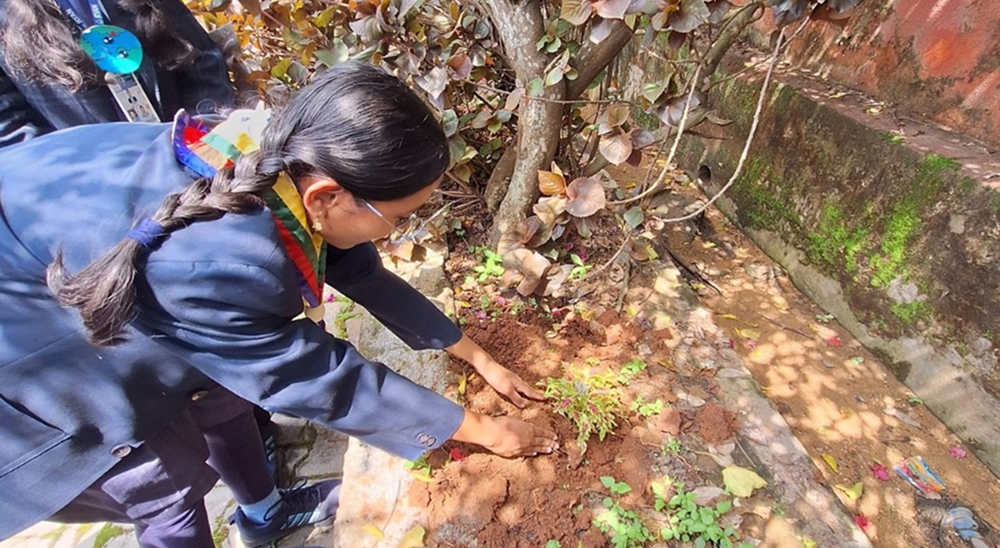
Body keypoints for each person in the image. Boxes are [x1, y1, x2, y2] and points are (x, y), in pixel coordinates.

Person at [0, 61, 558, 548]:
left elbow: (354, 266)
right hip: (31, 348)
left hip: (88, 259)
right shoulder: (220, 262)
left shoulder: (263, 153)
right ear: (327, 197)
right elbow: (314, 378)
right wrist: (482, 430)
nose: (394, 236)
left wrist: (475, 354)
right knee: (162, 484)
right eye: (399, 219)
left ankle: (264, 514)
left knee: (220, 394)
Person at [0, 0, 235, 147]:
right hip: (103, 194)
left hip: (197, 158)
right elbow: (12, 130)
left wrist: (197, 136)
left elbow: (201, 60)